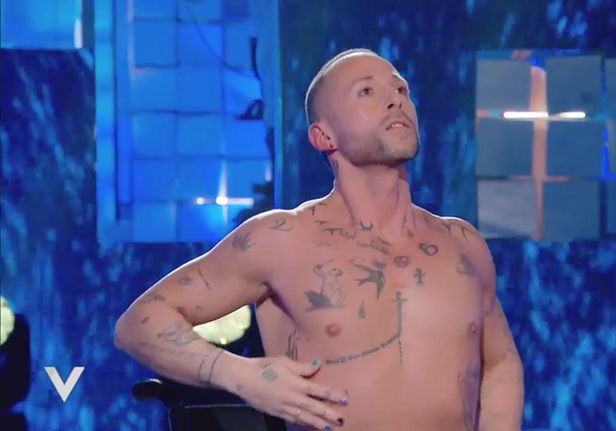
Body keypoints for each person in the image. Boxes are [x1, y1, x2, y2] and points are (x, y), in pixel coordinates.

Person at [114, 48, 524, 431]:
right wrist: (243, 376)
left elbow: (500, 363)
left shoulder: (462, 244)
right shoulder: (281, 239)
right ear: (323, 136)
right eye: (367, 92)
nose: (395, 100)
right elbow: (140, 323)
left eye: (401, 90)